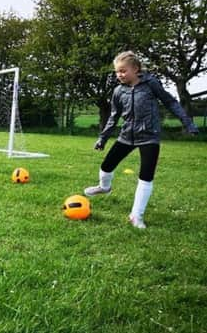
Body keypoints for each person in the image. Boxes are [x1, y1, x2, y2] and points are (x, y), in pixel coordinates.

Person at [84, 51, 198, 229]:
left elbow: (171, 102)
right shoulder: (118, 91)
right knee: (106, 167)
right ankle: (104, 187)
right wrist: (103, 138)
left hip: (149, 136)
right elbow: (114, 117)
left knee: (146, 176)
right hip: (126, 136)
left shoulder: (151, 84)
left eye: (123, 71)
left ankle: (136, 215)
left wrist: (188, 123)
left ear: (136, 69)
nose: (119, 75)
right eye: (117, 72)